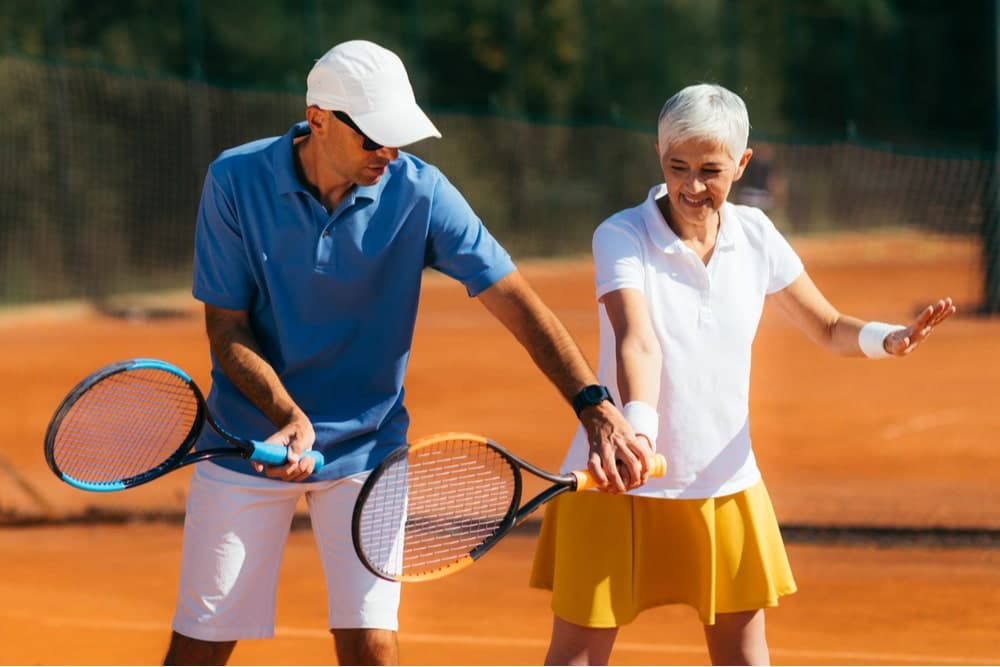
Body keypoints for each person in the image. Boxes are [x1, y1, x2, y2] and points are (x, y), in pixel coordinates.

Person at [164, 39, 647, 666]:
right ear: (318, 120)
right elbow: (227, 330)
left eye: (399, 138)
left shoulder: (420, 192)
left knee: (374, 648)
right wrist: (288, 414)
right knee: (198, 647)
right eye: (374, 139)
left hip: (371, 447)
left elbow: (517, 302)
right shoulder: (235, 180)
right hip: (251, 442)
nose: (390, 153)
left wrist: (595, 405)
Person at [528, 83, 956, 666]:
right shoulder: (621, 235)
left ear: (742, 163)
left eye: (711, 170)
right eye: (677, 166)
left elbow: (827, 325)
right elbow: (638, 340)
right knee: (576, 656)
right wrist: (638, 436)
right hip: (617, 481)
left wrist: (890, 340)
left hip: (724, 484)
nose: (692, 186)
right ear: (659, 153)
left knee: (744, 658)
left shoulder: (756, 235)